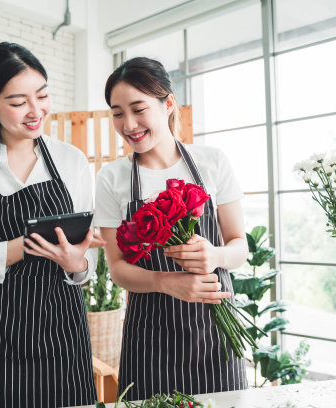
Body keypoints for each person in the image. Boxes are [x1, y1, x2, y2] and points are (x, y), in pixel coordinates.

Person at [0, 42, 101, 407]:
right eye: (18, 102)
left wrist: (76, 262)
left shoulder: (71, 161)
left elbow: (83, 264)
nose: (36, 111)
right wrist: (30, 243)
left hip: (61, 327)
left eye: (42, 95)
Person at [94, 57, 249, 399]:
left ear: (168, 105)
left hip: (215, 334)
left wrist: (216, 254)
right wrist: (166, 282)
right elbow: (118, 269)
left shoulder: (212, 162)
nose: (128, 123)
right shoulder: (112, 179)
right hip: (150, 336)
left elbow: (240, 245)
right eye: (118, 113)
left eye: (138, 109)